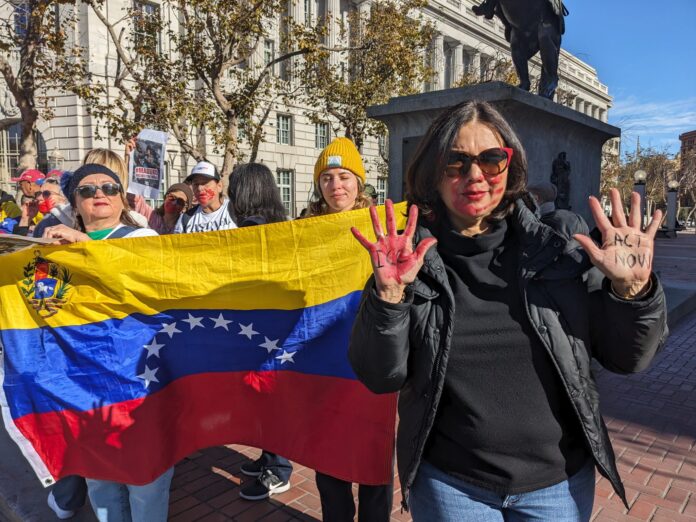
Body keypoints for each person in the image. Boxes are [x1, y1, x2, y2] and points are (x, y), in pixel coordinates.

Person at [348, 100, 668, 521]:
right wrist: (389, 298)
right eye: (455, 162)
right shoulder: (409, 262)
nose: (474, 175)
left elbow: (628, 358)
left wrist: (631, 292)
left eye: (491, 159)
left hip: (557, 485)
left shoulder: (560, 247)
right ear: (432, 171)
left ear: (510, 166)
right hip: (452, 485)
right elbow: (380, 375)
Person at [42, 164, 171, 522]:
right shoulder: (56, 248)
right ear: (75, 204)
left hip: (139, 384)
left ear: (121, 197)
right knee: (101, 486)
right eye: (87, 189)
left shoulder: (140, 238)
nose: (99, 193)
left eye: (109, 187)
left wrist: (87, 249)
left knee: (146, 485)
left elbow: (146, 287)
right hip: (86, 386)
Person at [308, 137, 393, 522]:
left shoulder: (379, 226)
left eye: (344, 176)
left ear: (360, 182)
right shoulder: (304, 229)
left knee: (374, 456)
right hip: (322, 355)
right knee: (328, 455)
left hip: (371, 356)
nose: (336, 185)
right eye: (326, 177)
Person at [225, 163, 294, 500]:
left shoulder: (252, 230)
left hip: (257, 329)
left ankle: (278, 469)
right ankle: (270, 456)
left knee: (267, 399)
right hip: (273, 326)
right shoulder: (280, 225)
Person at [83, 148, 150, 228]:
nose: (99, 194)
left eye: (109, 187)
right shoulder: (67, 219)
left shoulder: (138, 225)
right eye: (90, 186)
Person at [174, 161, 237, 233]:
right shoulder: (185, 219)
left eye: (205, 183)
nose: (200, 188)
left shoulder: (236, 210)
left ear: (219, 186)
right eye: (196, 184)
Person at [127, 183, 194, 235]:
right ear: (165, 198)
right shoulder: (152, 216)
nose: (174, 203)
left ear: (185, 208)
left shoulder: (186, 226)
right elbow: (134, 200)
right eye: (171, 197)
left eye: (180, 202)